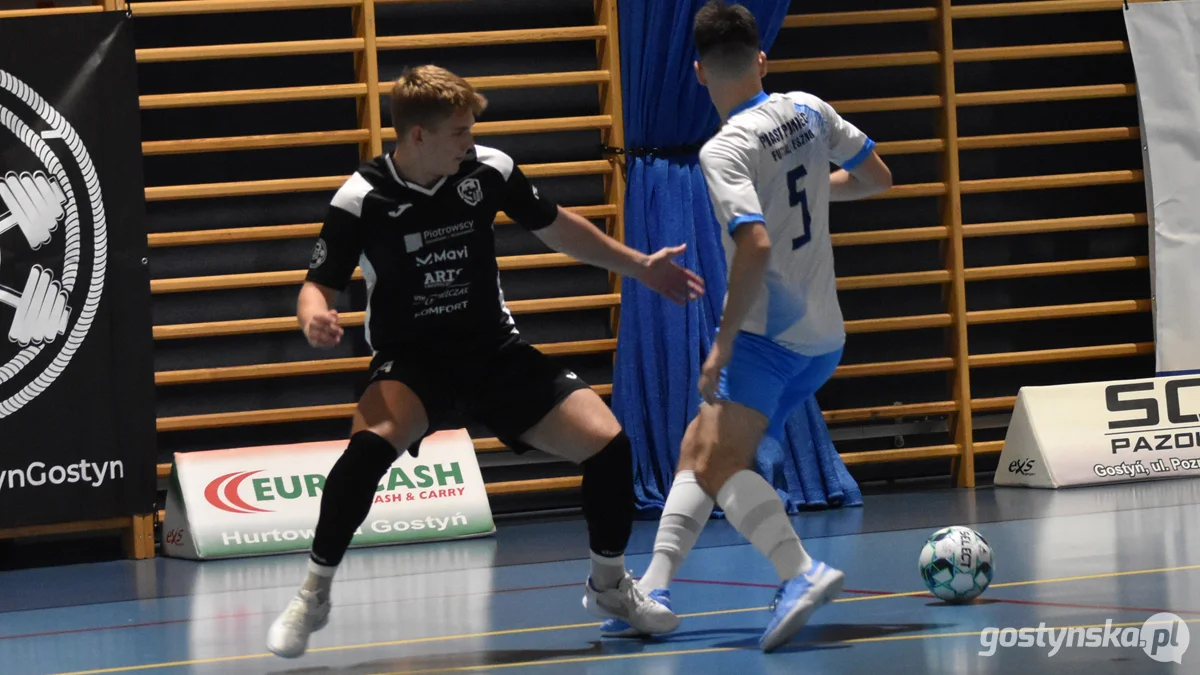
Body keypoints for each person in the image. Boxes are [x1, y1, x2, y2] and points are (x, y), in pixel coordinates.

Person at [266, 64, 705, 659]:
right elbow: (316, 283)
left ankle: (608, 586)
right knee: (366, 451)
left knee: (609, 444)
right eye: (459, 131)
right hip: (414, 362)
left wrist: (639, 266)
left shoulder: (488, 171)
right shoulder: (362, 197)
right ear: (417, 135)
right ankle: (313, 594)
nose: (469, 141)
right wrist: (312, 315)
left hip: (494, 352)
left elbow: (558, 229)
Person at [599, 0, 893, 652]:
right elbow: (877, 177)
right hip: (824, 335)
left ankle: (799, 570)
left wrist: (722, 344)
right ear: (763, 59)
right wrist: (819, 188)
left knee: (720, 459)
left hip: (767, 339)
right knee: (699, 447)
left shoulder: (724, 148)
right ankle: (655, 586)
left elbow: (754, 245)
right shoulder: (810, 109)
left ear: (699, 72)